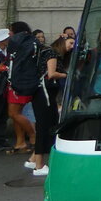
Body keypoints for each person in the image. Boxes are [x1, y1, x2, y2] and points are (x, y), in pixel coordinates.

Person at [26, 33, 73, 177]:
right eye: (70, 43)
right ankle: (39, 165)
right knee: (44, 127)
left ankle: (33, 159)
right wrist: (67, 75)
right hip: (44, 94)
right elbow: (51, 74)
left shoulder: (45, 52)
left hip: (41, 94)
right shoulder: (52, 53)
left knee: (47, 125)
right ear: (62, 42)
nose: (72, 47)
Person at [4, 21, 39, 154]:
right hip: (28, 80)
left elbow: (12, 61)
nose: (9, 33)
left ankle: (33, 135)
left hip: (17, 81)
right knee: (17, 113)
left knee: (13, 113)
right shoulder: (32, 42)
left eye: (10, 30)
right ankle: (20, 142)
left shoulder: (15, 42)